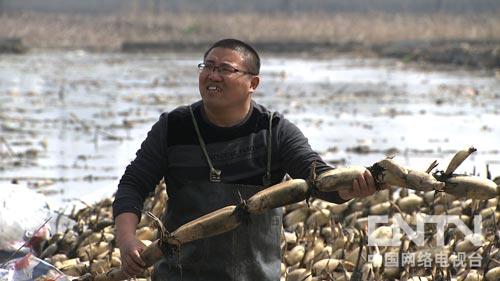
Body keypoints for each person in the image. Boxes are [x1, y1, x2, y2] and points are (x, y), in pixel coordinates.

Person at [112, 38, 377, 281]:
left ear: (253, 84)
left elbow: (317, 177)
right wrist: (127, 240)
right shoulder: (173, 127)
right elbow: (133, 185)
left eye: (226, 69)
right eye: (208, 66)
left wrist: (349, 188)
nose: (213, 75)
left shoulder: (274, 131)